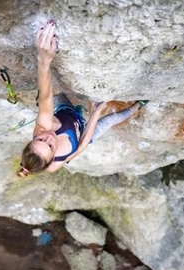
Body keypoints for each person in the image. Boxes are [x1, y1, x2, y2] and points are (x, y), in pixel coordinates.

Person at [17, 20, 148, 177]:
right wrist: (95, 114)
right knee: (111, 119)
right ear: (52, 158)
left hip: (65, 112)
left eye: (40, 140)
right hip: (83, 131)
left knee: (52, 95)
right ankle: (136, 106)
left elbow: (46, 96)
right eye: (51, 146)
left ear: (32, 140)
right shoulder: (55, 164)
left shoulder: (44, 127)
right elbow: (81, 146)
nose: (49, 137)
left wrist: (44, 60)